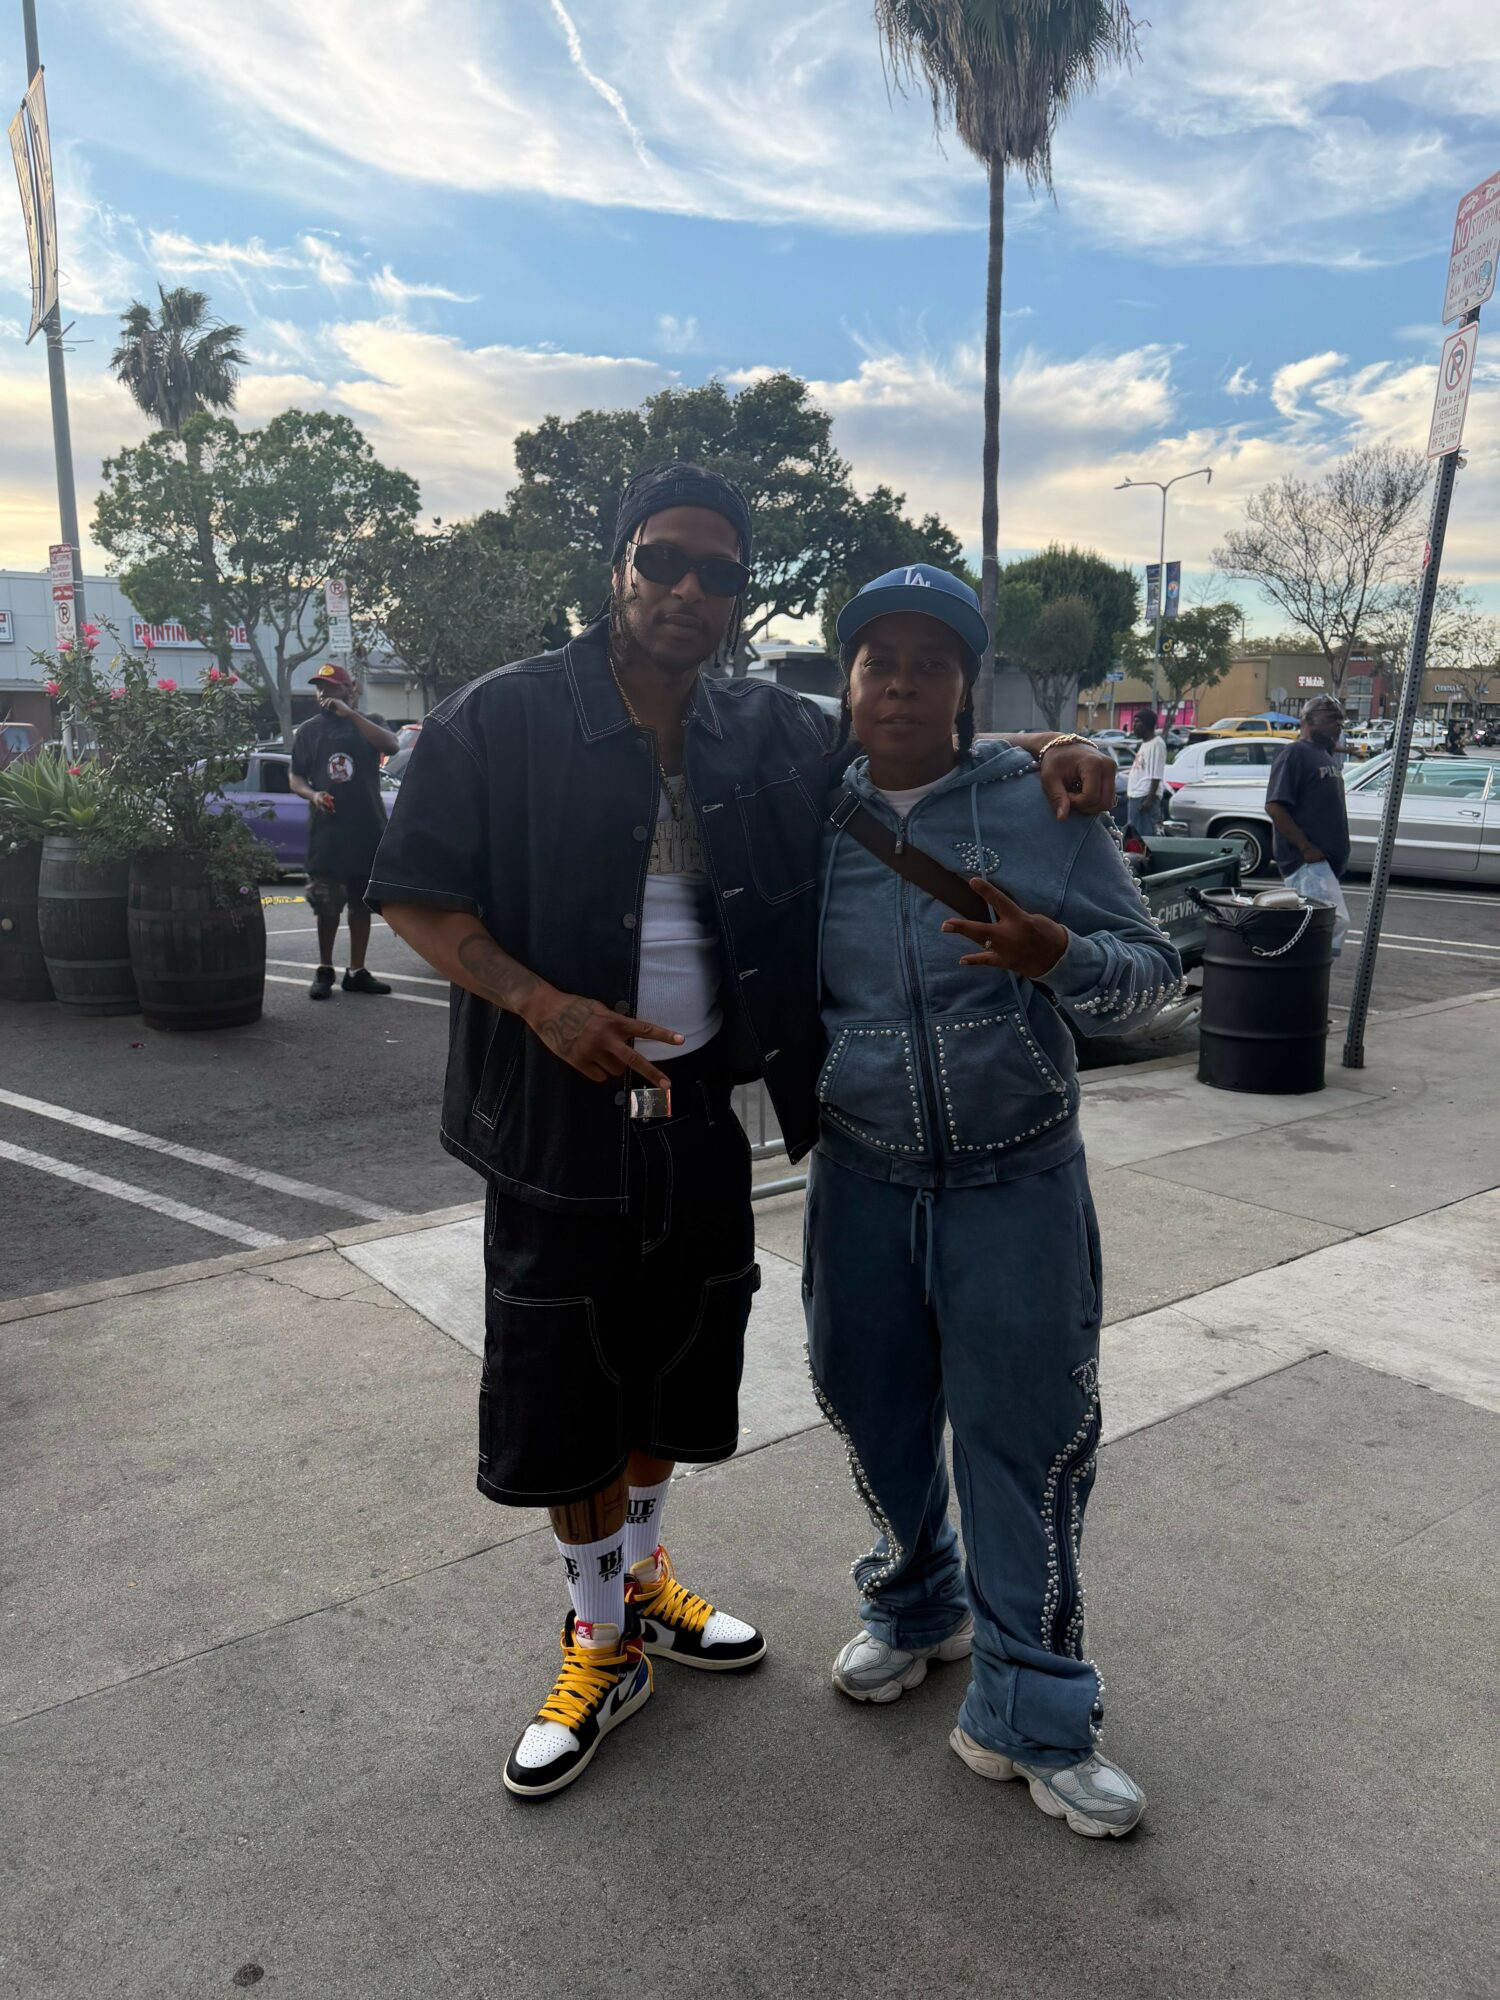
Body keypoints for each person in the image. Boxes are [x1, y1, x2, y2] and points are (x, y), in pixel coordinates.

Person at [365, 463, 1121, 1800]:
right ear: (618, 564)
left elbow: (907, 747)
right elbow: (413, 897)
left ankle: (644, 1580)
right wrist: (544, 1009)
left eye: (719, 573)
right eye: (665, 561)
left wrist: (1044, 753)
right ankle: (599, 1641)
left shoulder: (765, 730)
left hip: (702, 1110)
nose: (689, 593)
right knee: (567, 1391)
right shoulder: (502, 719)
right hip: (555, 1117)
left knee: (674, 1368)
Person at [804, 567, 1181, 1840]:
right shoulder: (807, 805)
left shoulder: (1044, 805)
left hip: (1016, 1182)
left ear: (970, 687)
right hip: (858, 1176)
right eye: (876, 658)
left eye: (930, 659)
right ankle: (917, 1603)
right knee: (872, 1406)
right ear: (847, 680)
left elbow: (1154, 977)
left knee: (1024, 1443)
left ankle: (1039, 1708)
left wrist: (1058, 955)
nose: (900, 678)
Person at [289, 664, 399, 998]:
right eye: (319, 688)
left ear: (349, 690)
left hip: (367, 828)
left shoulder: (369, 723)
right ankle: (325, 970)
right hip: (328, 833)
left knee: (361, 903)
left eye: (331, 687)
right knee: (326, 903)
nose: (323, 694)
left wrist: (351, 715)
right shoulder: (309, 731)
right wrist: (313, 795)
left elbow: (392, 746)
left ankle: (357, 970)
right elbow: (296, 777)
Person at [1265, 695, 1351, 955]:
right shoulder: (1295, 753)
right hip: (1307, 863)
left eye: (1340, 719)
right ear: (1309, 720)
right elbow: (1275, 806)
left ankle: (1308, 977)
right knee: (1328, 924)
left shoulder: (1324, 755)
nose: (1339, 724)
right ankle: (1304, 977)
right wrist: (1305, 848)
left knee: (1319, 926)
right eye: (1331, 718)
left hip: (1323, 864)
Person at [1124, 708, 1167, 841]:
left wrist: (1149, 799)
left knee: (1146, 838)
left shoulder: (1157, 744)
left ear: (1147, 724)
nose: (1134, 725)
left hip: (1144, 798)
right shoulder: (1145, 744)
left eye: (1137, 722)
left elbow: (1156, 774)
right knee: (1133, 837)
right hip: (1135, 796)